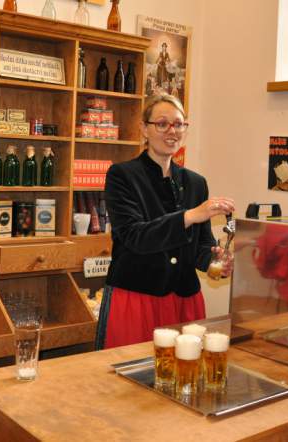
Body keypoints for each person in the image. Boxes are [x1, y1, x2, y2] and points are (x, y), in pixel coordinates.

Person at [96, 93, 235, 349]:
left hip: (185, 300)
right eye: (162, 124)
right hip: (136, 299)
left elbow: (201, 245)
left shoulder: (196, 182)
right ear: (144, 129)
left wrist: (214, 261)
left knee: (185, 371)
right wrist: (190, 216)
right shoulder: (122, 175)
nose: (172, 131)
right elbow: (135, 237)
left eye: (179, 124)